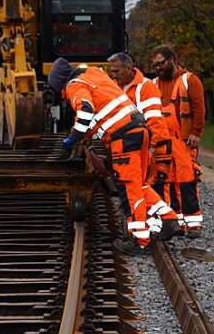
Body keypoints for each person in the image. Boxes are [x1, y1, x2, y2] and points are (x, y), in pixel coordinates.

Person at [48, 57, 162, 255]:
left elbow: (86, 111)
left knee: (128, 189)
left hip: (123, 138)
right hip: (139, 131)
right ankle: (167, 219)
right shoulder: (95, 74)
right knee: (140, 183)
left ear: (60, 83)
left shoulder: (74, 86)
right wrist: (84, 137)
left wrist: (70, 140)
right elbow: (99, 114)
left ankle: (138, 241)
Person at [106, 52, 179, 241]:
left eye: (116, 71)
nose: (113, 75)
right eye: (110, 71)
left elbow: (155, 122)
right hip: (131, 146)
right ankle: (159, 222)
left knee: (138, 187)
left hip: (147, 147)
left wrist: (151, 150)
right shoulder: (115, 86)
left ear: (129, 69)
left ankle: (151, 228)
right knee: (136, 187)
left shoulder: (145, 88)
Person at [150, 45, 204, 236]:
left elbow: (199, 108)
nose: (158, 68)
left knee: (187, 180)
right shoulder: (153, 84)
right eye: (155, 66)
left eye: (161, 63)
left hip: (183, 141)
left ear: (172, 59)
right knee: (166, 181)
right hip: (162, 142)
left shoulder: (189, 80)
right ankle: (176, 221)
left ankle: (193, 222)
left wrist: (196, 133)